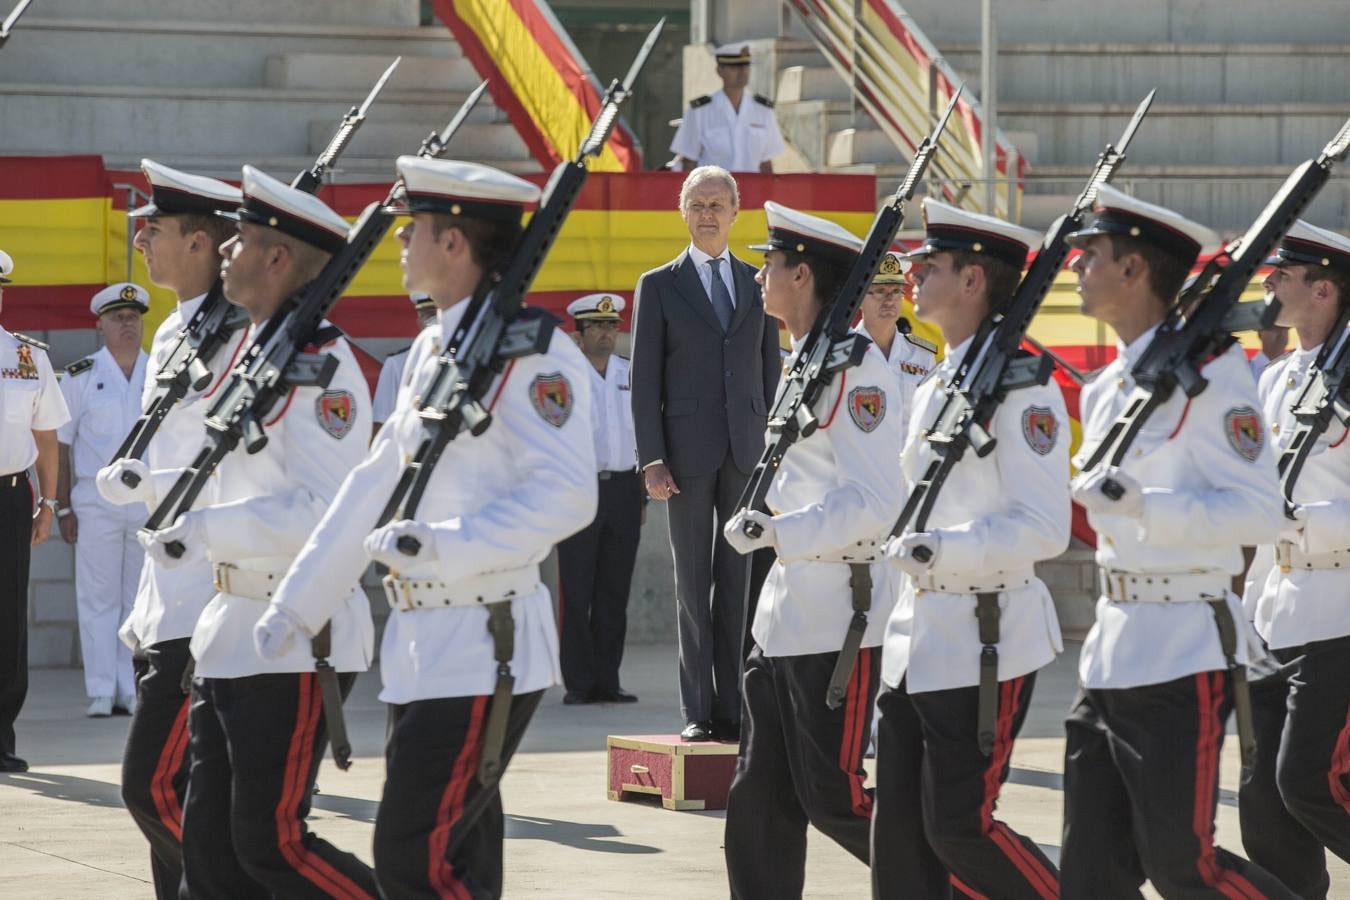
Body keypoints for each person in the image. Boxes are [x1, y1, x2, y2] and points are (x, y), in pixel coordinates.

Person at [261, 156, 596, 898]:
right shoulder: (430, 351)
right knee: (458, 864)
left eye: (414, 232)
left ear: (453, 245)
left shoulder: (531, 349)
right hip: (425, 648)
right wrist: (297, 599)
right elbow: (370, 483)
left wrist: (446, 546)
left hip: (486, 640)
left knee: (417, 862)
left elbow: (570, 494)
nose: (400, 244)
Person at [137, 165, 378, 899]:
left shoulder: (323, 366)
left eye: (240, 242)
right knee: (211, 861)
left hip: (293, 635)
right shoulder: (251, 351)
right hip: (228, 632)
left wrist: (203, 527)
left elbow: (326, 509)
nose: (227, 254)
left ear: (277, 260)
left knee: (271, 848)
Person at [1061, 184, 1295, 897]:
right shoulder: (1111, 387)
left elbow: (1260, 512)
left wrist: (1146, 504)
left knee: (1182, 866)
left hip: (1182, 647)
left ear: (1134, 269)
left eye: (1091, 255)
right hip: (1110, 650)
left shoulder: (1214, 377)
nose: (1075, 267)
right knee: (1092, 875)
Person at [871, 200, 1066, 899]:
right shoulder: (943, 379)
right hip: (915, 638)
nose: (914, 276)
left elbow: (1046, 525)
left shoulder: (1022, 383)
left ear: (975, 280)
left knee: (960, 829)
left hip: (984, 636)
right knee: (899, 845)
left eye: (932, 267)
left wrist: (943, 548)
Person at [718, 202, 900, 897]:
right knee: (758, 798)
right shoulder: (805, 361)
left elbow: (878, 501)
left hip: (838, 615)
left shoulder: (858, 373)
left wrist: (781, 532)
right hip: (787, 614)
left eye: (771, 262)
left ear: (801, 274)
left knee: (835, 796)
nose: (761, 272)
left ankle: (950, 884)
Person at [94, 159, 242, 900]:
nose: (141, 240)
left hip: (206, 597)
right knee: (178, 793)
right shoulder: (179, 327)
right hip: (167, 597)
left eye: (155, 230)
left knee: (149, 788)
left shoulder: (240, 332)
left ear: (203, 242)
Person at [630, 165, 781, 742]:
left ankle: (736, 707)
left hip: (746, 454)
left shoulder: (756, 281)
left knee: (739, 582)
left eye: (718, 204)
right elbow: (645, 381)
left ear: (736, 211)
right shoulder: (660, 284)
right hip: (684, 460)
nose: (708, 214)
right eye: (698, 204)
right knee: (692, 585)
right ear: (683, 211)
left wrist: (773, 452)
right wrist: (652, 458)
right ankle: (699, 709)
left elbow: (769, 375)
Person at [1238, 220, 1350, 899]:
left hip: (1340, 609)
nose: (1268, 283)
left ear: (1325, 289)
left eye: (1283, 274)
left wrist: (1301, 524)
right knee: (1264, 809)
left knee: (1311, 782)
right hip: (1275, 611)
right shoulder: (1278, 379)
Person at [56, 282, 150, 718]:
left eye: (133, 317)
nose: (126, 324)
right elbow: (61, 443)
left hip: (149, 500)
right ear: (101, 325)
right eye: (117, 317)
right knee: (97, 597)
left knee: (138, 598)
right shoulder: (80, 376)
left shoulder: (162, 374)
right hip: (94, 500)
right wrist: (63, 506)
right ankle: (100, 688)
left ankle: (130, 686)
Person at [0, 248, 70, 774]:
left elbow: (46, 439)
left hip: (10, 495)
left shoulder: (27, 357)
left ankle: (1, 737)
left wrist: (48, 503)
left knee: (7, 619)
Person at [557, 292, 643, 705]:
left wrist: (642, 495)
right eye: (596, 327)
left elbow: (641, 434)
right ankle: (579, 682)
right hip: (579, 490)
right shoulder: (563, 377)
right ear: (579, 333)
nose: (606, 334)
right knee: (577, 589)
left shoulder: (630, 373)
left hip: (624, 488)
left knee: (614, 588)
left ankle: (608, 679)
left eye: (611, 326)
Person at [669, 43, 785, 174]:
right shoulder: (699, 111)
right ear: (719, 70)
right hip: (713, 191)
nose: (742, 72)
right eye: (734, 67)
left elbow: (766, 163)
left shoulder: (763, 111)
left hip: (753, 191)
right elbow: (688, 161)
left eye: (745, 65)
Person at [856, 249, 936, 428]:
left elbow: (930, 419)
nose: (890, 299)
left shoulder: (922, 355)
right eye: (880, 291)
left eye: (896, 291)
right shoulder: (840, 352)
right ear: (859, 298)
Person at [371, 292, 437, 435]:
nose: (436, 321)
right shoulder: (398, 364)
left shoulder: (467, 360)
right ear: (419, 321)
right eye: (430, 315)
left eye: (440, 314)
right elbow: (381, 427)